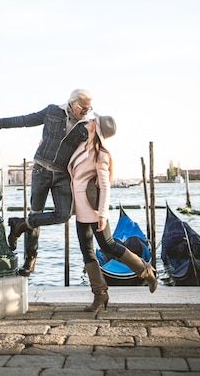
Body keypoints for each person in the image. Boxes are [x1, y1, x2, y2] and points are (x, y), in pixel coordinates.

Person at [67, 114, 157, 317]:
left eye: (92, 120)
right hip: (79, 207)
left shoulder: (101, 155)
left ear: (96, 128)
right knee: (87, 251)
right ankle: (100, 293)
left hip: (94, 208)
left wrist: (103, 214)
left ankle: (145, 271)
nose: (89, 120)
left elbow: (105, 185)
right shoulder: (81, 147)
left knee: (108, 245)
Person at [0, 88, 92, 277]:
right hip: (41, 170)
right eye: (83, 107)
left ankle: (21, 224)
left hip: (63, 175)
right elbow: (26, 120)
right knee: (36, 212)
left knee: (64, 215)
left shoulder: (86, 127)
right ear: (72, 103)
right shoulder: (52, 111)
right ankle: (29, 259)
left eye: (89, 109)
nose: (86, 112)